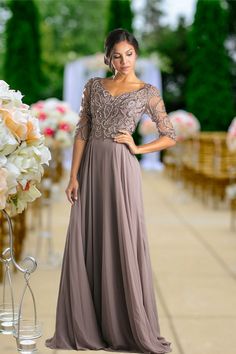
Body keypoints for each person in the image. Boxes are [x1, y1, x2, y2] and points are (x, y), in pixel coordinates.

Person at [45, 28, 177, 353]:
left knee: (122, 237)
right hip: (91, 169)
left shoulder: (148, 91)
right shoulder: (93, 87)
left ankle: (126, 325)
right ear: (108, 57)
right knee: (89, 237)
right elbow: (81, 131)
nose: (123, 60)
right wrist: (73, 176)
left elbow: (169, 134)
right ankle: (88, 324)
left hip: (122, 169)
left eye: (129, 54)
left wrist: (137, 147)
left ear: (136, 54)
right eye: (117, 55)